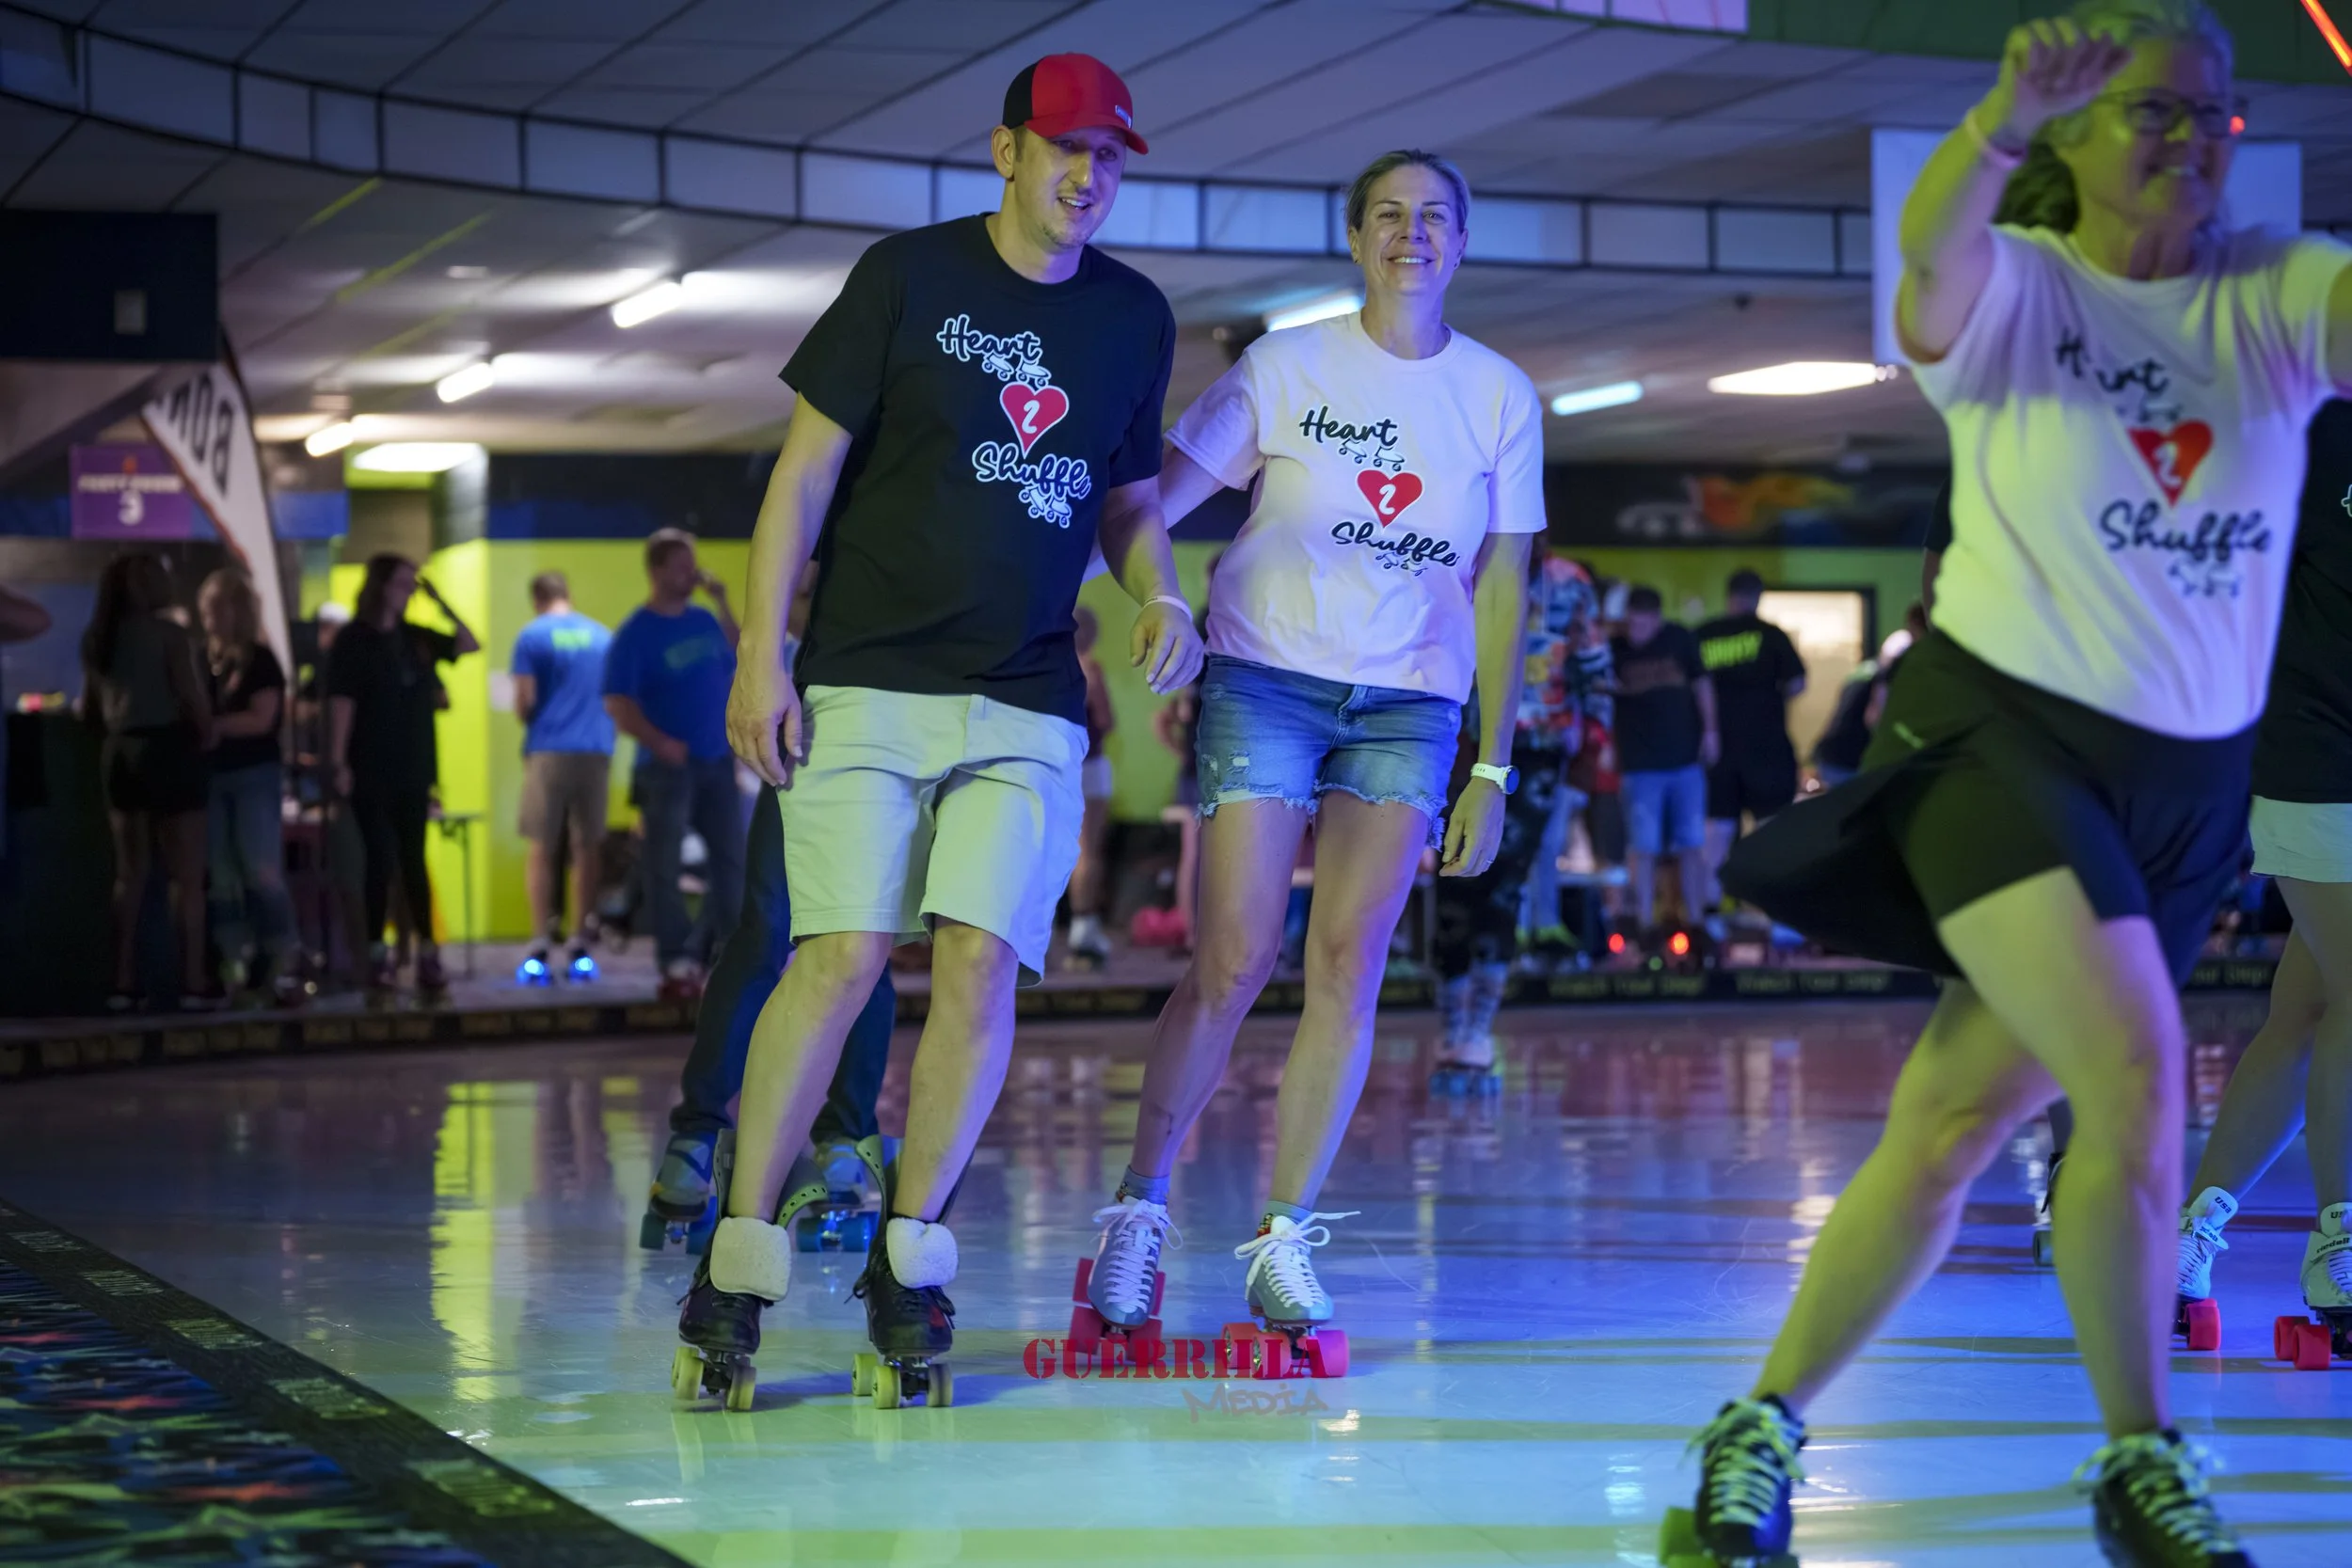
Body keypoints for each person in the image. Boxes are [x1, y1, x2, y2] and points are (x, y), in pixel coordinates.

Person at [1676, 7, 2352, 1564]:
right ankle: (2144, 1458)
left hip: (2184, 800)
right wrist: (1987, 128)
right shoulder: (2022, 295)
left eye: (2212, 115)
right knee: (2133, 1081)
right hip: (2002, 747)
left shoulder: (2280, 290)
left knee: (1949, 1126)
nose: (2189, 141)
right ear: (2070, 139)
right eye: (2151, 116)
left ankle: (1759, 1423)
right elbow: (1930, 264)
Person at [675, 52, 1202, 1408]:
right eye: (1068, 148)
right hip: (862, 677)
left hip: (1027, 692)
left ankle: (910, 1265)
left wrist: (1161, 593)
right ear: (1007, 150)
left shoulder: (1134, 315)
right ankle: (735, 1266)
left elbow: (1129, 503)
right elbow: (802, 475)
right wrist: (761, 652)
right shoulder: (906, 277)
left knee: (981, 966)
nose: (1091, 175)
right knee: (841, 953)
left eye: (1113, 156)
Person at [1082, 147, 1542, 1353]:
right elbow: (1145, 505)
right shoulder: (1284, 366)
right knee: (1233, 956)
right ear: (1355, 238)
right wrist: (1159, 600)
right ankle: (1138, 1207)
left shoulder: (1498, 392)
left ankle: (1282, 1237)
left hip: (1411, 706)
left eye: (1435, 216)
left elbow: (1504, 588)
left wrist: (1494, 764)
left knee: (1350, 960)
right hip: (1266, 680)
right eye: (1388, 215)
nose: (1412, 234)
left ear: (1461, 241)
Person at [2172, 397, 2352, 1353]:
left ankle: (2185, 1237)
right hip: (2315, 763)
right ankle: (2340, 1242)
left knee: (2307, 1014)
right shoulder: (2305, 438)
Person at [1430, 551, 1609, 1072]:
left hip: (1538, 747)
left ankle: (1478, 1028)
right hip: (1459, 741)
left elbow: (1594, 666)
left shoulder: (1568, 581)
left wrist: (1590, 750)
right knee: (1455, 879)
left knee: (1506, 882)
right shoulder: (1463, 559)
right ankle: (1452, 1024)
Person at [326, 554, 478, 1006]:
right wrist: (337, 761)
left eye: (414, 584)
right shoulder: (354, 641)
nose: (409, 591)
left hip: (414, 767)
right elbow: (341, 702)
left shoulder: (415, 639)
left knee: (413, 858)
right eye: (402, 583)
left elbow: (468, 643)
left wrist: (440, 601)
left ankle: (427, 952)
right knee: (380, 858)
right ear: (381, 587)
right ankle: (378, 950)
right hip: (371, 765)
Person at [603, 530, 744, 1001]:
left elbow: (741, 651)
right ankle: (675, 961)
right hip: (666, 769)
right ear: (658, 571)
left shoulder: (704, 620)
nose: (692, 573)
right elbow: (618, 703)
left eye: (693, 564)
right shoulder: (636, 633)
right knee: (662, 867)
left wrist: (723, 600)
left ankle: (730, 955)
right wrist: (659, 742)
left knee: (730, 863)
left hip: (717, 762)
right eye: (682, 565)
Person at [83, 554, 215, 1011]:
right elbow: (192, 700)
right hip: (170, 751)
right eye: (159, 572)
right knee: (187, 877)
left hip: (120, 755)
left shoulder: (99, 639)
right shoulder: (171, 635)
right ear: (141, 585)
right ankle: (193, 983)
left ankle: (123, 984)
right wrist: (208, 733)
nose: (168, 577)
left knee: (129, 875)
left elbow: (90, 713)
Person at [198, 568, 299, 1006]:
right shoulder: (201, 660)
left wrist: (214, 727)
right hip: (213, 775)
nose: (209, 617)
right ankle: (234, 960)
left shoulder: (259, 660)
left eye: (218, 607)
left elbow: (263, 719)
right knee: (222, 875)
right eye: (207, 608)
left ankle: (280, 956)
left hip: (252, 773)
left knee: (260, 869)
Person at [509, 571, 614, 983]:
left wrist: (528, 716)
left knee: (541, 846)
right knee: (587, 848)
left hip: (549, 750)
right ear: (567, 595)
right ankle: (580, 939)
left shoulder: (532, 636)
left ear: (537, 599)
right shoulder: (601, 636)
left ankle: (539, 940)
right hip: (595, 749)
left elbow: (525, 700)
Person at [1697, 569, 1804, 932]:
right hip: (1766, 746)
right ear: (1757, 597)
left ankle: (1710, 913)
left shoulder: (1705, 634)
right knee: (1770, 831)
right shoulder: (1771, 635)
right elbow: (1798, 682)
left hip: (1718, 750)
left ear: (1729, 596)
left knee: (1717, 831)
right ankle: (1773, 914)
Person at [1611, 586, 1717, 940]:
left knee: (1691, 843)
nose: (1636, 632)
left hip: (1685, 759)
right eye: (1632, 624)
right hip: (1639, 765)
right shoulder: (1615, 647)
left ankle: (1697, 922)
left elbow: (1703, 685)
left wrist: (1711, 732)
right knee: (1644, 847)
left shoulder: (1679, 639)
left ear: (1656, 619)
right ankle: (1645, 924)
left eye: (1642, 625)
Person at [1063, 605, 1117, 969]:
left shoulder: (1053, 669)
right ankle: (1083, 929)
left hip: (1059, 767)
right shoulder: (1090, 668)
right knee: (1088, 851)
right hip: (1090, 767)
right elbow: (1106, 721)